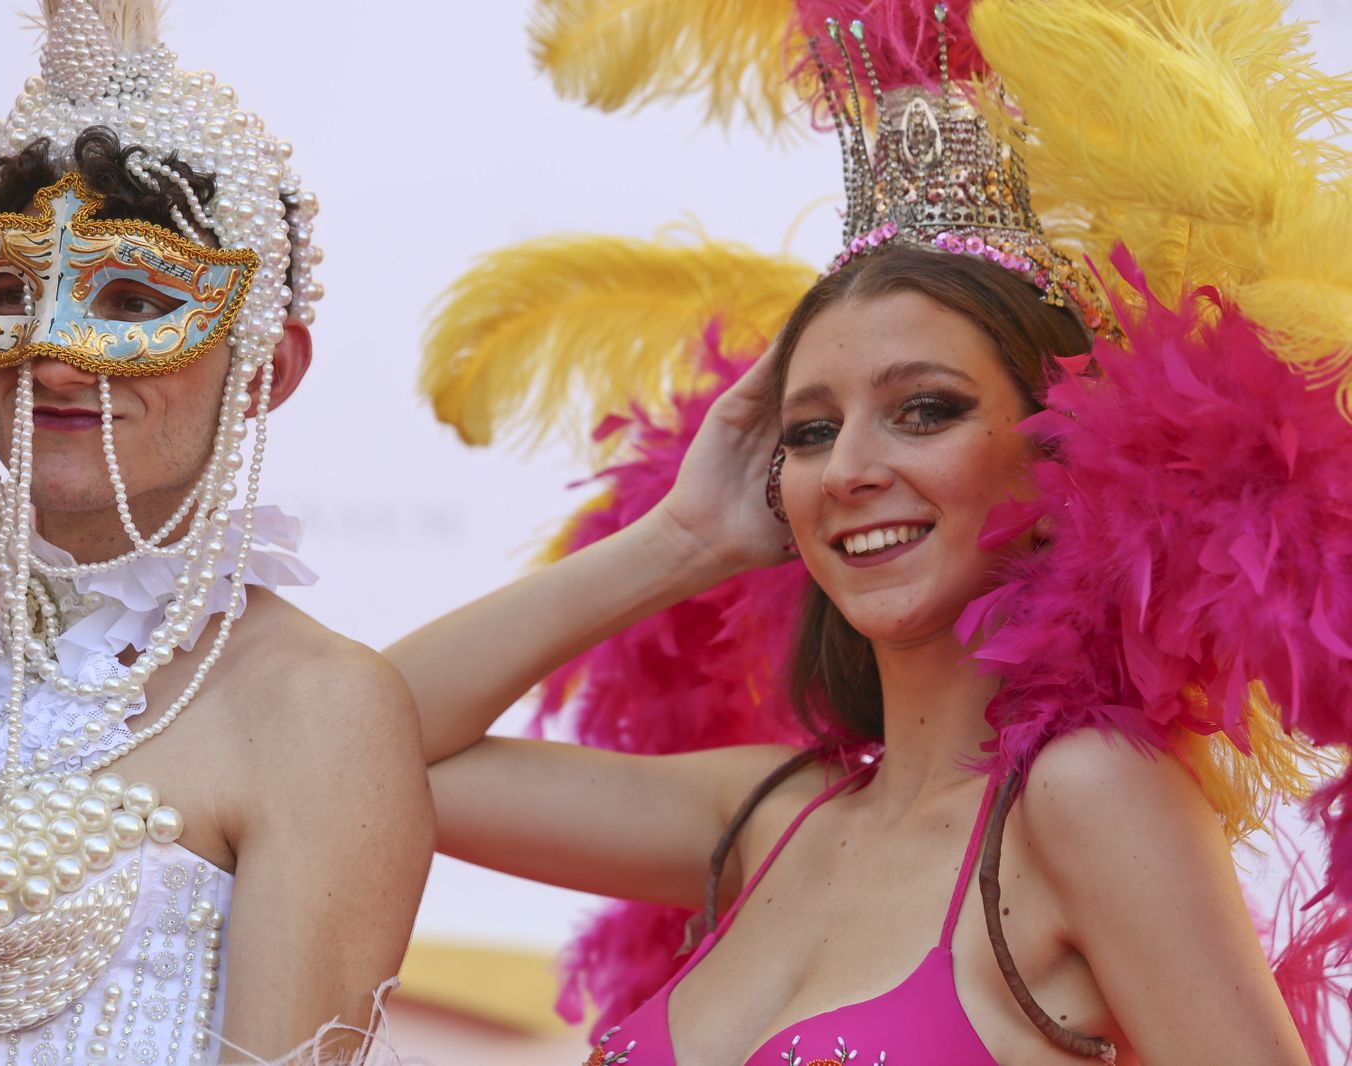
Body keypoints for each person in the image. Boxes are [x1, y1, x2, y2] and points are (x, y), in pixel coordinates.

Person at [391, 1, 1350, 1061]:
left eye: (925, 409)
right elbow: (356, 744)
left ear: (1058, 450)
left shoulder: (1088, 796)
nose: (847, 470)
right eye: (809, 431)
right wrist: (686, 539)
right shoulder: (766, 815)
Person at [0, 3, 431, 1063]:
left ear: (267, 369)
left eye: (132, 300)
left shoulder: (317, 709)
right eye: (9, 291)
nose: (55, 357)